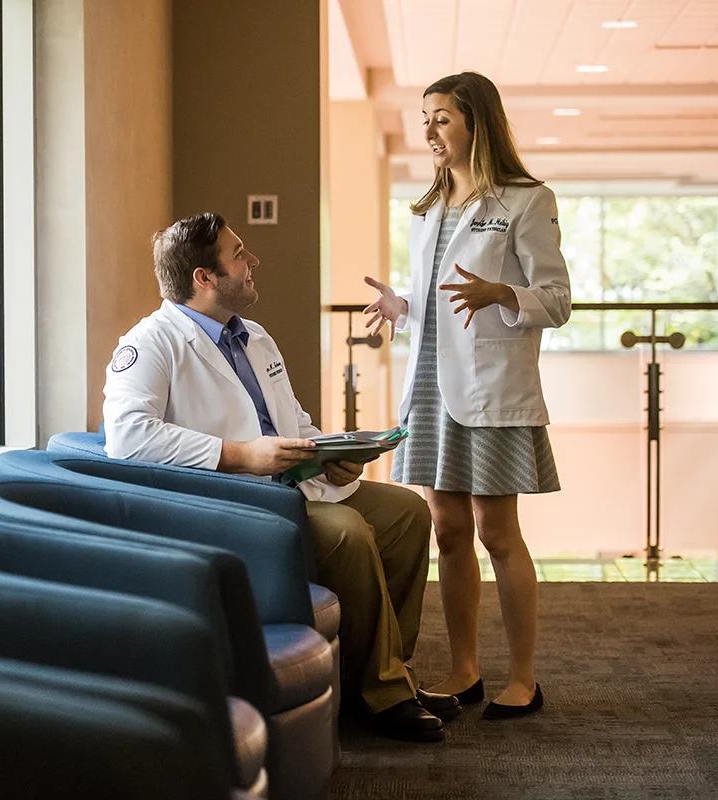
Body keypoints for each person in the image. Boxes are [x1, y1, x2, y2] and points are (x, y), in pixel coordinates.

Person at [103, 213, 458, 742]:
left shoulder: (255, 338)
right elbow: (128, 436)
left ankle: (391, 675)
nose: (253, 262)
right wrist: (241, 456)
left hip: (295, 485)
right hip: (237, 503)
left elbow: (293, 424)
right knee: (346, 531)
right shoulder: (151, 343)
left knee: (406, 514)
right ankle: (383, 696)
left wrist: (337, 455)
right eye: (239, 253)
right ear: (205, 277)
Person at [363, 71, 571, 719]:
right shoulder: (427, 209)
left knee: (497, 534)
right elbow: (437, 299)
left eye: (443, 118)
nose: (428, 130)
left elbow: (557, 302)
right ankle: (463, 670)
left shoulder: (525, 201)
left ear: (477, 124)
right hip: (428, 387)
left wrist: (503, 294)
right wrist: (401, 303)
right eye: (424, 117)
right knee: (448, 531)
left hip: (489, 389)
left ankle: (525, 679)